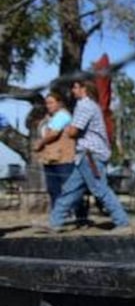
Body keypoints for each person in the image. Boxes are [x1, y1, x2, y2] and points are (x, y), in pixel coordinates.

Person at [47, 79, 130, 233]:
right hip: (85, 156)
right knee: (70, 190)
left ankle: (123, 223)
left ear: (84, 88)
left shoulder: (84, 105)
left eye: (75, 87)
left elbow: (73, 131)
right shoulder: (89, 105)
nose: (73, 90)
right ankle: (54, 223)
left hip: (90, 155)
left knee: (100, 189)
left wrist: (63, 129)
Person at [33, 90, 89, 223]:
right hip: (50, 159)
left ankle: (80, 216)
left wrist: (40, 143)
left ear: (60, 103)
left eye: (51, 102)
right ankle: (58, 218)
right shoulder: (49, 118)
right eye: (47, 103)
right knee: (53, 190)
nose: (48, 105)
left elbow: (53, 133)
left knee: (70, 189)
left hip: (63, 158)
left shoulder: (62, 116)